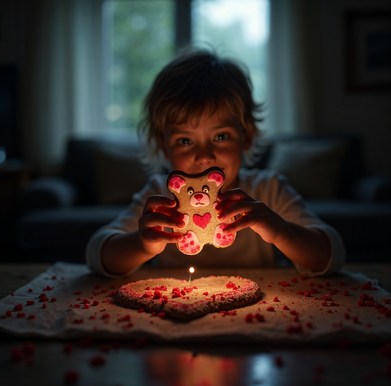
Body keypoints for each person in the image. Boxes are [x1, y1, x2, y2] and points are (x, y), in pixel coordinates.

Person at [86, 48, 345, 278]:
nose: (204, 156)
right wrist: (141, 245)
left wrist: (280, 232)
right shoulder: (160, 197)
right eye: (185, 141)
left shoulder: (268, 191)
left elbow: (331, 255)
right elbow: (97, 253)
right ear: (164, 147)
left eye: (221, 137)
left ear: (247, 139)